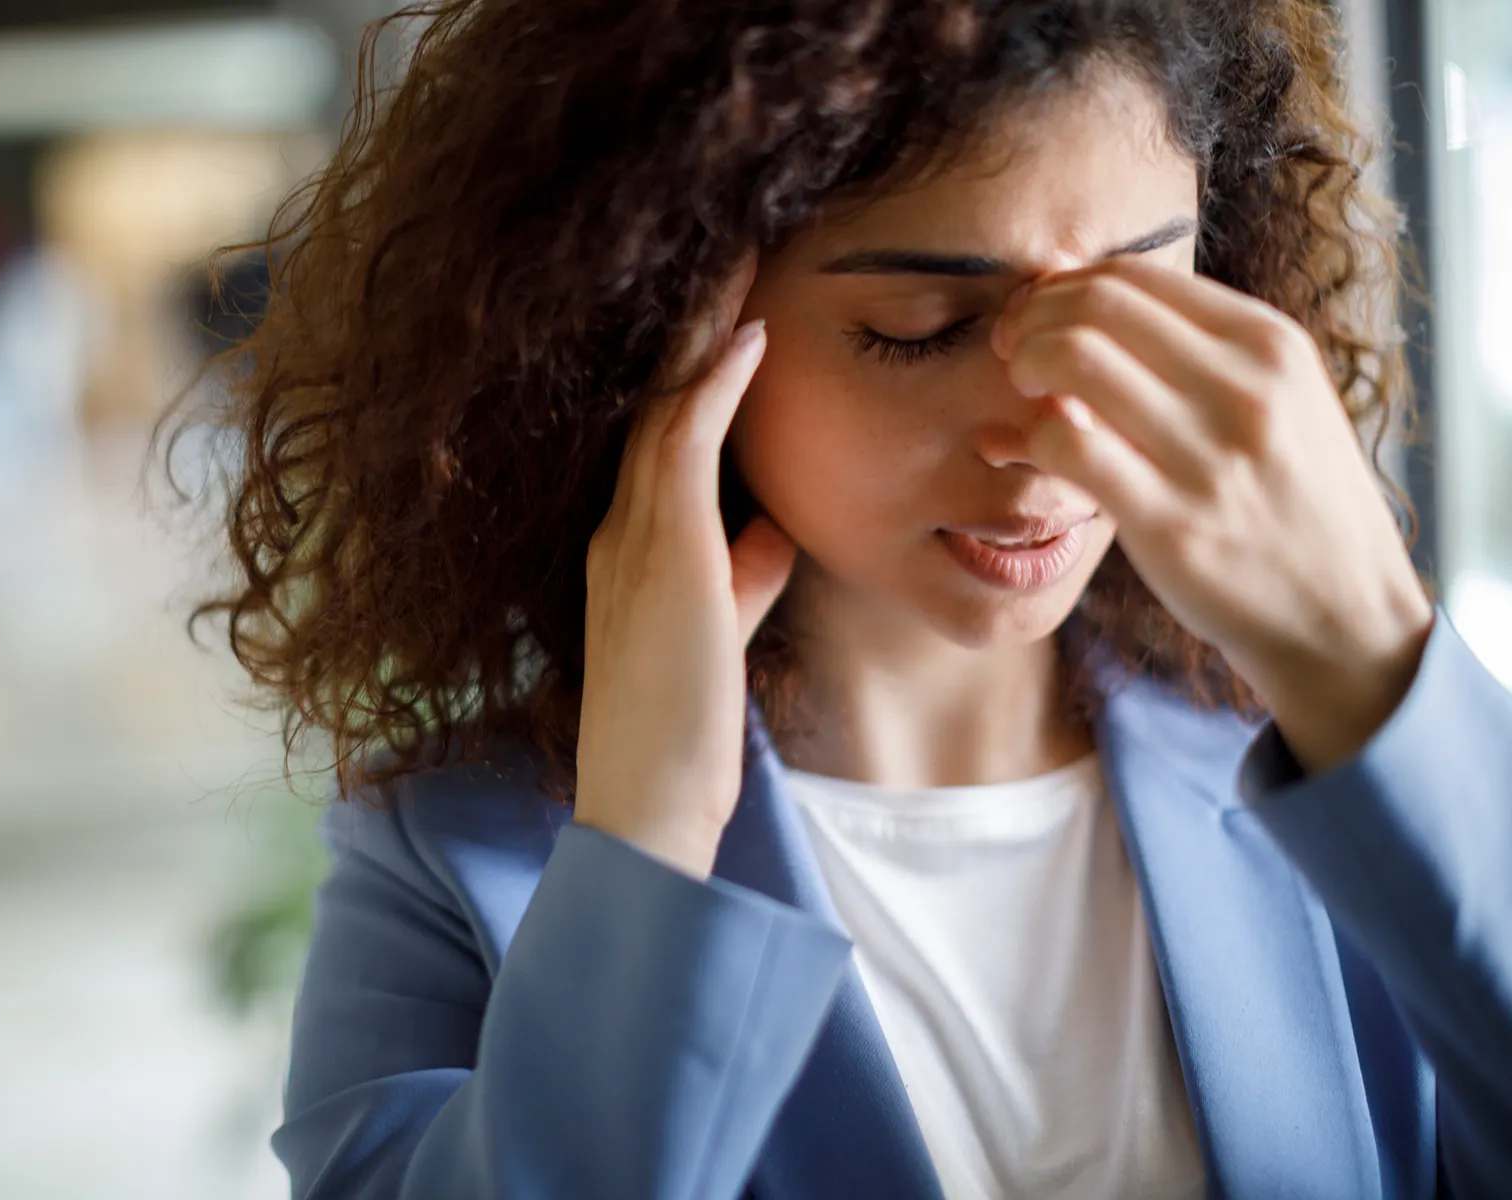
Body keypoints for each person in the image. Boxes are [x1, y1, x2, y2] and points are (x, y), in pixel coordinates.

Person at [184, 1, 1512, 1195]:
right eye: (920, 329)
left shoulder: (1362, 791)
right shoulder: (457, 862)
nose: (1048, 430)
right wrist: (648, 833)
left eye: (1135, 299)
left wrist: (1368, 667)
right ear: (656, 321)